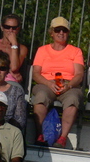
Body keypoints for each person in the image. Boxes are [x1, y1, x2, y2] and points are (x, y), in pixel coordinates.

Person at [31, 16, 85, 148]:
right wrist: (49, 84)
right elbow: (36, 73)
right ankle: (41, 135)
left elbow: (79, 74)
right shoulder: (42, 50)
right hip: (46, 83)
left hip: (69, 84)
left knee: (73, 99)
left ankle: (62, 138)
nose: (61, 33)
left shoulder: (76, 51)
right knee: (40, 97)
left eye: (64, 30)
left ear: (68, 33)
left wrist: (69, 85)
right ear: (52, 32)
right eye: (58, 30)